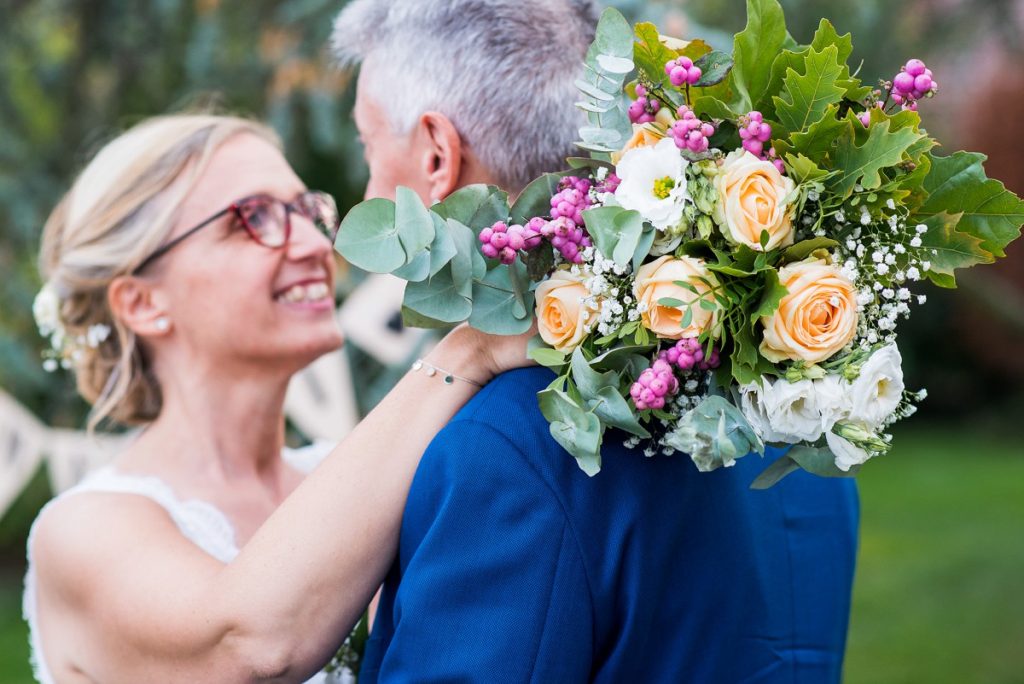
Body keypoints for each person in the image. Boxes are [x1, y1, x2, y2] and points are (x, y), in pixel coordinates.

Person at [330, 0, 861, 681]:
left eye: (368, 145)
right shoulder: (794, 413)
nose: (368, 185)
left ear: (437, 154)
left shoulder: (506, 450)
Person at [24, 113, 531, 683]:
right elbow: (246, 649)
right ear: (143, 303)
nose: (316, 244)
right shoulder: (82, 530)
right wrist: (470, 352)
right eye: (253, 218)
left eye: (306, 211)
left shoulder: (343, 469)